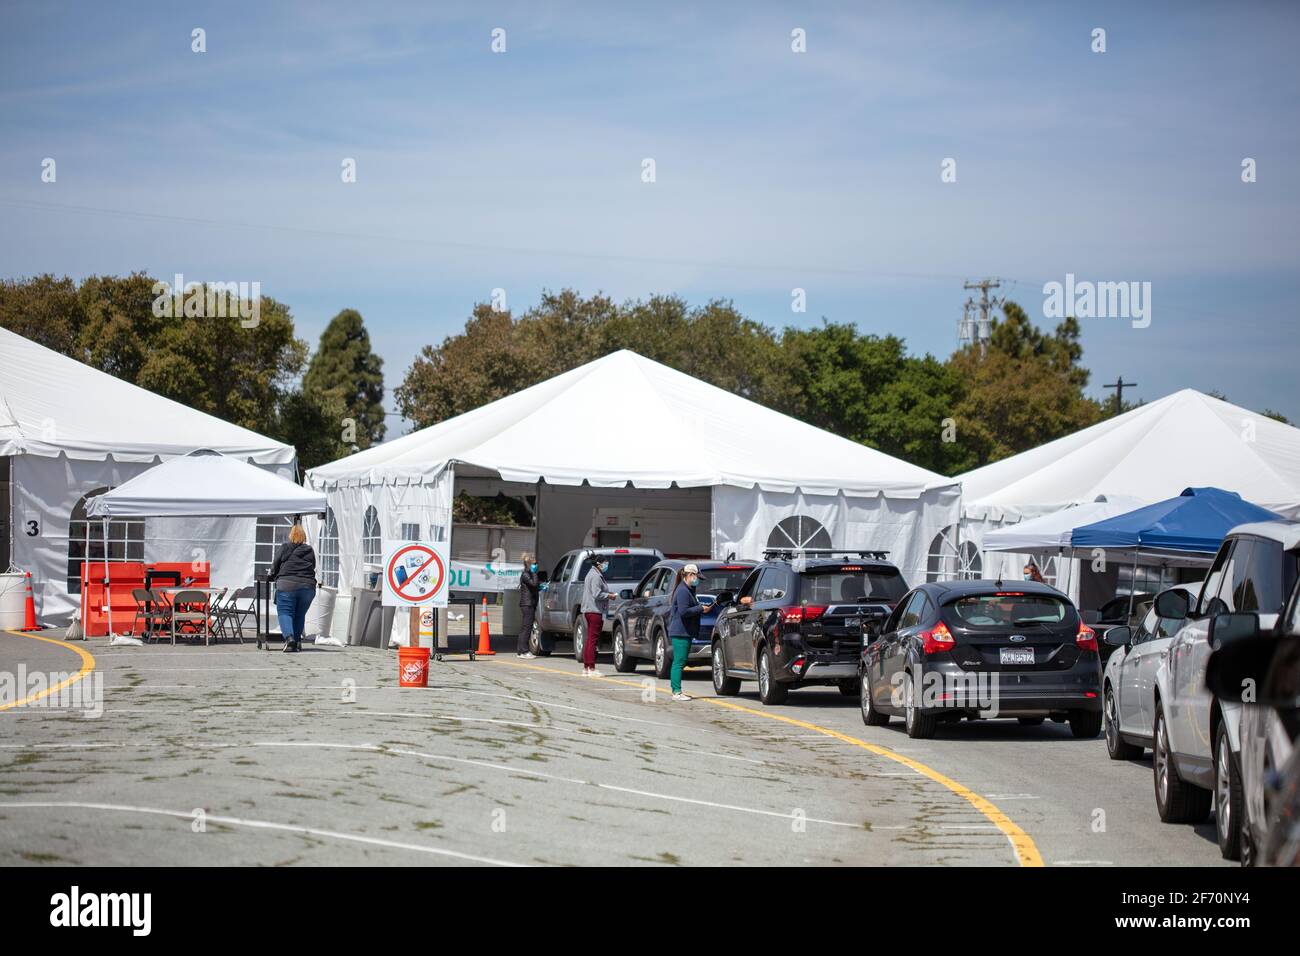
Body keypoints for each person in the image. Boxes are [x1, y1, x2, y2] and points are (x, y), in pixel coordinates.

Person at [667, 563, 713, 702]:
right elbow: (684, 611)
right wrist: (701, 609)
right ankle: (676, 691)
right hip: (680, 631)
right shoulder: (683, 591)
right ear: (690, 575)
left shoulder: (688, 589)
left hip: (684, 631)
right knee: (679, 662)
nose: (697, 580)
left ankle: (677, 690)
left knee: (680, 661)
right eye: (696, 577)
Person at [269, 524, 317, 653]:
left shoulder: (285, 547)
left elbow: (275, 565)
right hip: (308, 586)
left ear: (291, 535)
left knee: (285, 612)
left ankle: (290, 639)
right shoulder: (309, 550)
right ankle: (297, 641)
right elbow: (313, 566)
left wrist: (273, 575)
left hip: (287, 584)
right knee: (299, 614)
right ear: (304, 536)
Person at [580, 554, 617, 676]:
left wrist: (607, 593)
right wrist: (609, 595)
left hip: (589, 610)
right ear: (598, 564)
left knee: (589, 639)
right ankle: (591, 668)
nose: (606, 566)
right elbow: (597, 594)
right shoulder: (595, 576)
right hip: (594, 610)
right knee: (592, 640)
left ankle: (586, 668)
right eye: (605, 563)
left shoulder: (592, 574)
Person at [517, 552, 541, 659]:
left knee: (526, 627)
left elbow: (534, 586)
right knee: (527, 627)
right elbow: (534, 584)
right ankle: (524, 651)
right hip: (527, 604)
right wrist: (534, 573)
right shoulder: (526, 574)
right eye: (534, 564)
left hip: (529, 603)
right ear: (529, 564)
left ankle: (520, 650)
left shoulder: (528, 574)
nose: (536, 566)